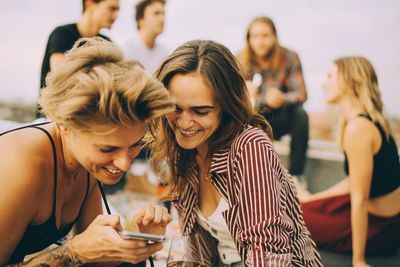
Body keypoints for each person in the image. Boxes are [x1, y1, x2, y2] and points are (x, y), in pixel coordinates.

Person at [0, 37, 174, 265]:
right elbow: (80, 254)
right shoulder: (20, 165)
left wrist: (136, 243)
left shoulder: (85, 164)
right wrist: (74, 250)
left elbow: (94, 260)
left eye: (134, 145)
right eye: (106, 148)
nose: (124, 164)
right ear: (65, 124)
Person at [148, 40, 322, 266]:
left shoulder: (249, 148)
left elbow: (267, 254)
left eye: (200, 111)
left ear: (226, 107)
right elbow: (199, 252)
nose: (183, 122)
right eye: (175, 108)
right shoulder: (184, 152)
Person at [299, 56, 400, 267]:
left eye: (330, 76)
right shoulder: (362, 121)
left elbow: (360, 199)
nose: (324, 83)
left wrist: (359, 260)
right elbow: (354, 182)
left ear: (350, 81)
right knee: (298, 205)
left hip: (381, 228)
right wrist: (313, 199)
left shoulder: (358, 128)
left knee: (287, 218)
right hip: (378, 215)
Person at [236, 16, 309, 188]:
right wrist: (256, 96)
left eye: (265, 36)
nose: (259, 41)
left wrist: (282, 98)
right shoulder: (240, 58)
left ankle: (297, 176)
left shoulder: (289, 57)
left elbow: (301, 93)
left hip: (280, 116)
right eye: (254, 36)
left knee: (300, 114)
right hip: (253, 117)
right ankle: (249, 175)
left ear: (274, 37)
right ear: (248, 39)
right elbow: (231, 97)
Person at [38, 0, 120, 117]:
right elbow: (63, 81)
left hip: (91, 118)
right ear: (89, 5)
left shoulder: (108, 43)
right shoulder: (62, 34)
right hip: (54, 117)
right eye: (112, 9)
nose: (116, 15)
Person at [119, 0, 169, 75]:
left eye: (163, 14)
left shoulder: (165, 52)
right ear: (140, 20)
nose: (162, 19)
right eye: (156, 13)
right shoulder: (126, 49)